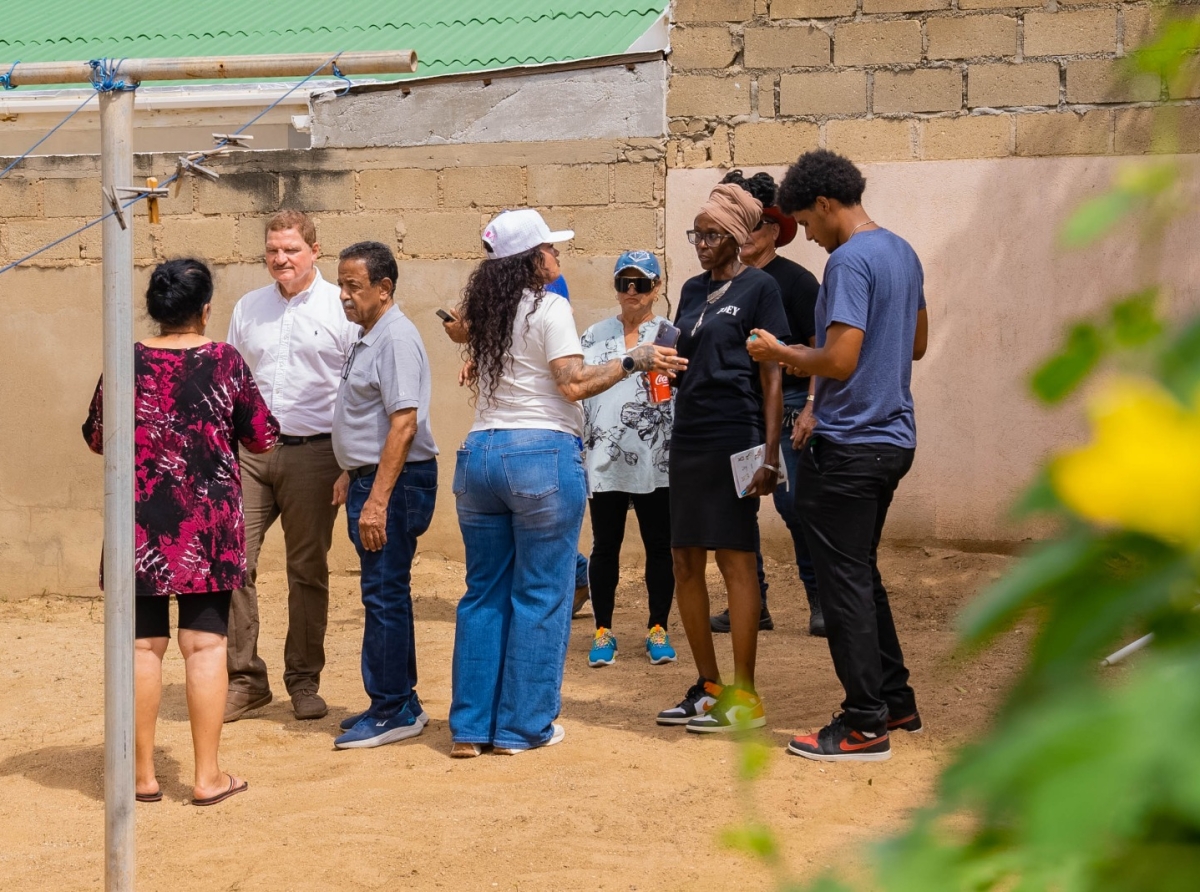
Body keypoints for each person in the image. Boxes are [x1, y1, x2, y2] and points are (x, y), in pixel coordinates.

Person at [448, 209, 684, 757]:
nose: (558, 256)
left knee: (483, 594)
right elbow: (573, 385)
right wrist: (635, 359)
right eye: (551, 248)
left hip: (480, 454)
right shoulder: (549, 306)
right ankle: (521, 728)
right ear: (533, 258)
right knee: (540, 594)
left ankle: (470, 729)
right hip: (539, 457)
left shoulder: (487, 312)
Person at [750, 149, 929, 762]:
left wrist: (782, 353)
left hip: (851, 446)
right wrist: (817, 398)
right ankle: (894, 701)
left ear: (826, 205)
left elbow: (839, 359)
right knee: (861, 573)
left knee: (844, 582)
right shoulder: (901, 251)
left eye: (809, 222)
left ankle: (863, 724)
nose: (814, 239)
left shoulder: (850, 261)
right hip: (892, 439)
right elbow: (918, 343)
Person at [83, 259, 279, 805]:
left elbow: (98, 436)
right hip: (207, 528)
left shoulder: (126, 360)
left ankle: (141, 776)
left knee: (143, 646)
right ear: (204, 308)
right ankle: (206, 776)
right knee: (205, 645)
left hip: (140, 522)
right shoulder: (224, 360)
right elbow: (262, 437)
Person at [656, 184, 789, 734]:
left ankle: (747, 695)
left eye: (711, 235)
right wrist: (665, 368)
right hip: (687, 436)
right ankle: (708, 687)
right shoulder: (690, 291)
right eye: (697, 234)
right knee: (684, 558)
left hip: (736, 436)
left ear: (736, 237)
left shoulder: (761, 289)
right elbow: (682, 355)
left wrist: (771, 455)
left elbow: (772, 376)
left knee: (734, 558)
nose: (701, 244)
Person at [224, 210, 358, 723]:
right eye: (273, 250)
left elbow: (353, 390)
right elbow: (231, 383)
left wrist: (347, 461)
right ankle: (245, 680)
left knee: (307, 570)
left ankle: (304, 680)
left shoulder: (340, 306)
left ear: (314, 251)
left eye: (291, 250)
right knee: (233, 562)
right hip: (251, 455)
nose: (281, 259)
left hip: (316, 454)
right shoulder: (248, 308)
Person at [329, 241, 439, 749]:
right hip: (372, 479)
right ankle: (396, 701)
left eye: (354, 286)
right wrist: (352, 471)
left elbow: (404, 423)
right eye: (342, 284)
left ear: (384, 288)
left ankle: (394, 707)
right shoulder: (369, 335)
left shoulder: (395, 338)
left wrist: (377, 499)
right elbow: (369, 419)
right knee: (382, 590)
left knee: (383, 592)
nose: (344, 295)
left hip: (392, 486)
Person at [711, 170, 825, 638]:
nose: (743, 237)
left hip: (792, 402)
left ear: (773, 230)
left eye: (753, 227)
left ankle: (821, 603)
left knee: (795, 505)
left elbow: (823, 348)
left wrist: (814, 405)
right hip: (743, 409)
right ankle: (752, 604)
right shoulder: (725, 283)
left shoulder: (797, 282)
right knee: (741, 509)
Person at [442, 274, 592, 617]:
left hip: (531, 437)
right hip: (524, 441)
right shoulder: (511, 289)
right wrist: (479, 354)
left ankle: (579, 573)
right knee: (531, 558)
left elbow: (539, 351)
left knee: (515, 576)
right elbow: (516, 345)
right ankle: (579, 573)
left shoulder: (549, 289)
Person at [580, 251, 676, 668]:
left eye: (641, 282)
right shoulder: (593, 336)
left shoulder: (671, 335)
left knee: (659, 545)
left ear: (657, 288)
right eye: (624, 282)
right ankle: (603, 631)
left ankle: (658, 628)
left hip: (657, 457)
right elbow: (579, 388)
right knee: (605, 546)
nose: (632, 290)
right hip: (604, 457)